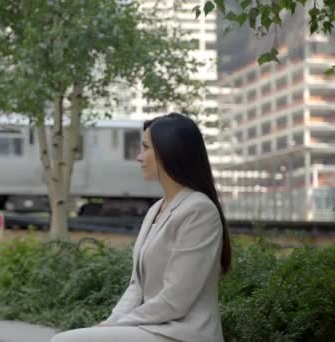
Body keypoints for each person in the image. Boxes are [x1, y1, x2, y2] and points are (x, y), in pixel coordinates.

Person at [50, 113, 231, 342]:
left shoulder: (199, 212)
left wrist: (115, 326)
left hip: (182, 334)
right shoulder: (156, 209)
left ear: (168, 153)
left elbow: (175, 300)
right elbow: (136, 286)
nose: (138, 157)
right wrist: (110, 322)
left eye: (145, 148)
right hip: (152, 329)